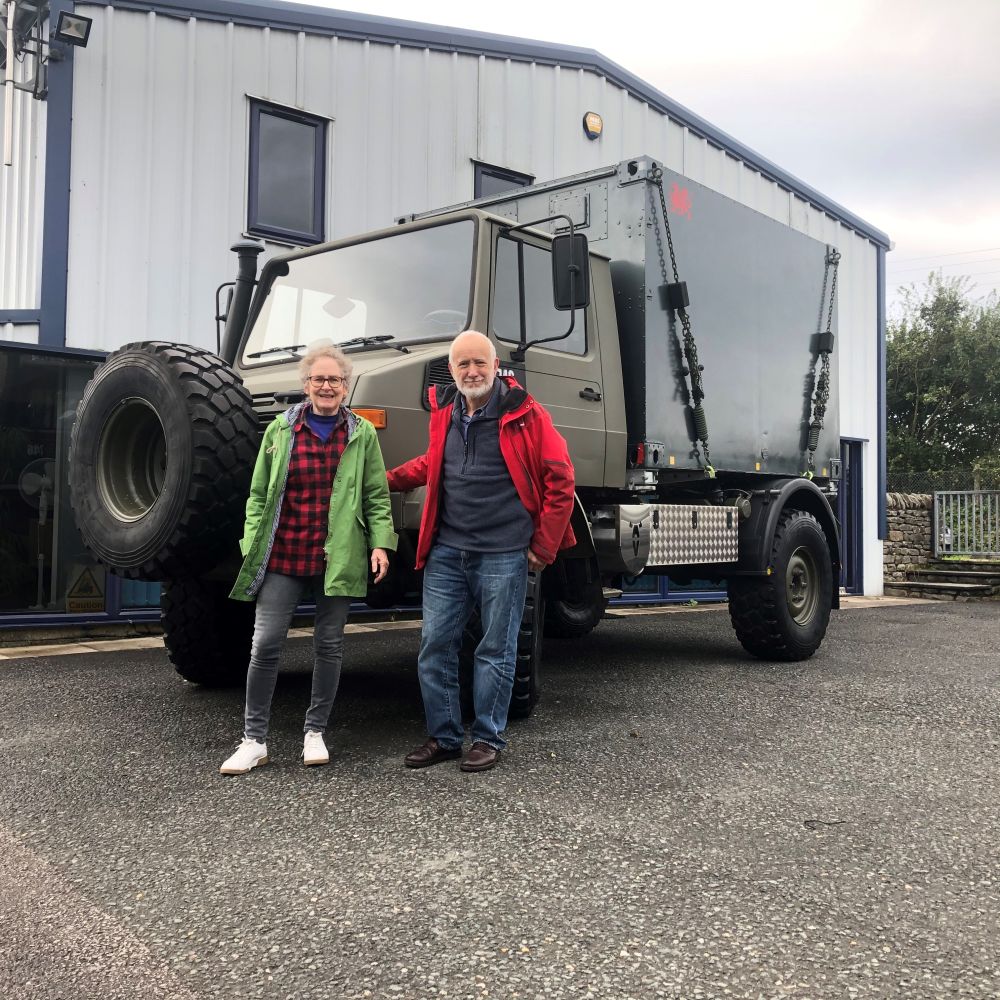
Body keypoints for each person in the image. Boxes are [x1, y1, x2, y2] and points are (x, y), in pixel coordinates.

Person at [387, 330, 575, 772]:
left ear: (495, 366)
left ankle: (488, 738)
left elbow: (561, 479)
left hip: (503, 553)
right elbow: (434, 462)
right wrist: (384, 480)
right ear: (451, 370)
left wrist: (543, 546)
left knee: (496, 649)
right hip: (447, 552)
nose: (472, 371)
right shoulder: (445, 411)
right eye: (463, 364)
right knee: (435, 646)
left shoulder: (527, 414)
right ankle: (445, 737)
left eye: (479, 363)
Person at [220, 342, 397, 775]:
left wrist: (380, 543)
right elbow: (257, 496)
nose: (327, 386)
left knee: (329, 645)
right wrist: (251, 544)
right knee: (265, 644)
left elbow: (376, 495)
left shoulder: (362, 433)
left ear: (345, 385)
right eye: (319, 379)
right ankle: (254, 740)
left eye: (335, 379)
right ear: (306, 384)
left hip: (338, 555)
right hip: (284, 553)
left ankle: (315, 731)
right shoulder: (280, 430)